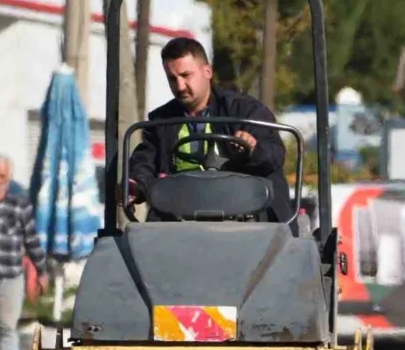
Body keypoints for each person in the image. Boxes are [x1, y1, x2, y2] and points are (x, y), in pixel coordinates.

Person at [125, 37, 291, 224]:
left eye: (186, 75)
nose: (180, 86)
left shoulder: (245, 112)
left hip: (241, 220)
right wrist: (136, 185)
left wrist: (252, 150)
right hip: (181, 222)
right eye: (173, 78)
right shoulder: (162, 122)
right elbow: (145, 162)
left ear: (207, 71)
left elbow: (274, 155)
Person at [0, 155, 48, 350]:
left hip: (10, 276)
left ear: (8, 178)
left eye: (1, 176)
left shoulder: (19, 204)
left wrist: (41, 271)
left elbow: (31, 240)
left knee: (6, 327)